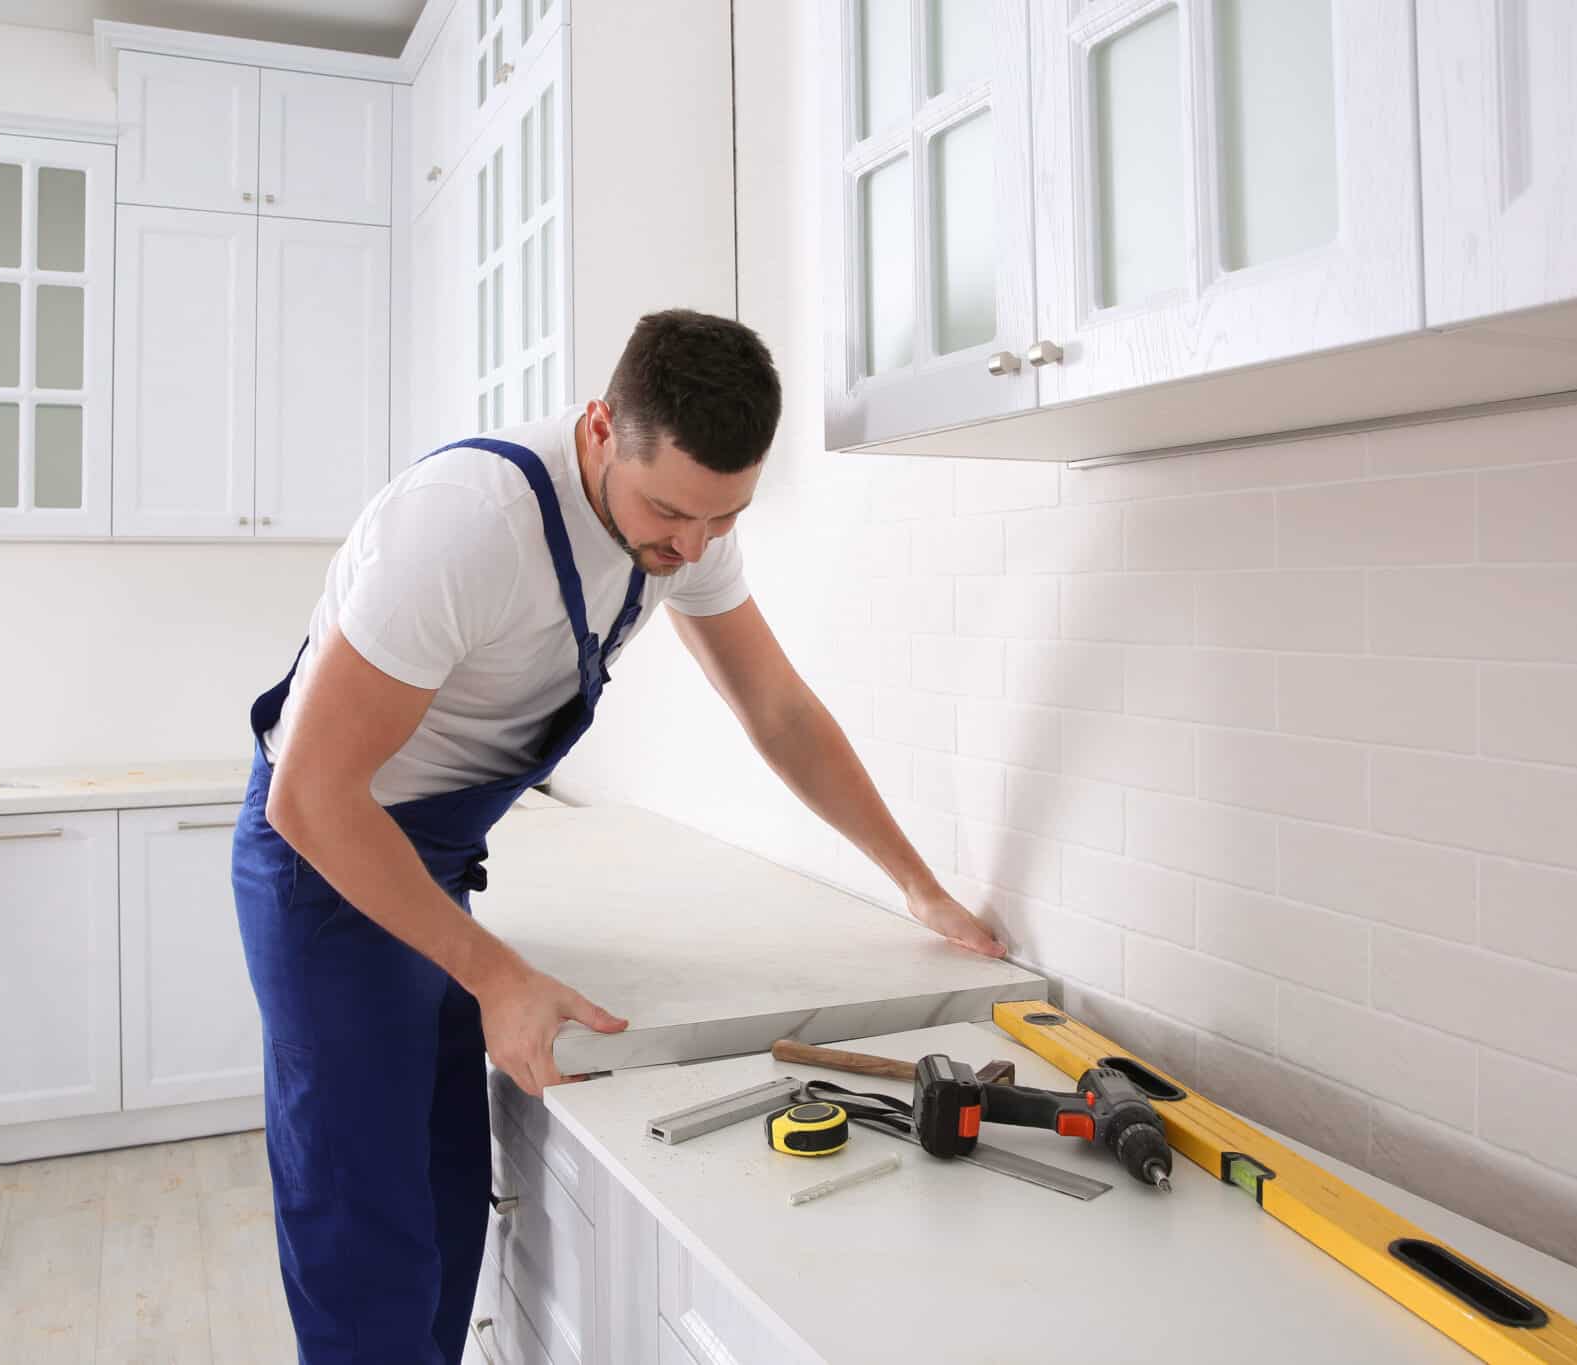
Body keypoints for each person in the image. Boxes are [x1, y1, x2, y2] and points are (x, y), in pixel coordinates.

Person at [229, 308, 1005, 1363]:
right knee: (363, 1218)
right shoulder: (465, 524)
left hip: (433, 865)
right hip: (327, 867)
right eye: (670, 512)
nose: (689, 548)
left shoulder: (680, 531)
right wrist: (497, 977)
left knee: (446, 1182)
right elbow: (312, 798)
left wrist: (915, 885)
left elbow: (775, 709)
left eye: (722, 520)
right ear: (600, 428)